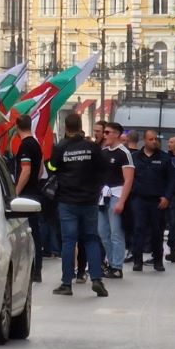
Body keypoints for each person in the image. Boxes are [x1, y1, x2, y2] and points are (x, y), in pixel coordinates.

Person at [48, 113, 109, 297]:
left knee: (69, 241)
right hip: (89, 200)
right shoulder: (92, 147)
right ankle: (97, 279)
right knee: (91, 239)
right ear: (81, 125)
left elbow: (51, 167)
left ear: (66, 128)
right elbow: (102, 170)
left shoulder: (61, 147)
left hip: (67, 200)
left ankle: (66, 284)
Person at [97, 121, 134, 278]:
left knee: (116, 233)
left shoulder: (123, 153)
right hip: (103, 195)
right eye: (104, 133)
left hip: (116, 194)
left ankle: (117, 266)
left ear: (117, 134)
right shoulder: (104, 152)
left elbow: (128, 179)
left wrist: (121, 201)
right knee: (102, 231)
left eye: (108, 132)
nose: (105, 136)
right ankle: (110, 262)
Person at [12, 113, 45, 284]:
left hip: (26, 195)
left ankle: (32, 270)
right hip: (35, 192)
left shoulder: (25, 145)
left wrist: (16, 192)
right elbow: (39, 170)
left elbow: (26, 170)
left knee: (27, 233)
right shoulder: (36, 145)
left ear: (17, 126)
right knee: (35, 234)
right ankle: (37, 269)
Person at [130, 129, 170, 272]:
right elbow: (129, 177)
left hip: (157, 201)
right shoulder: (135, 157)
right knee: (138, 229)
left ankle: (158, 260)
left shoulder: (164, 158)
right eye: (151, 139)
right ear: (144, 140)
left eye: (155, 139)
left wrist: (167, 197)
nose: (154, 142)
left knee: (157, 231)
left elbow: (171, 180)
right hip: (139, 200)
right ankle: (137, 261)